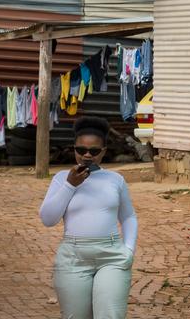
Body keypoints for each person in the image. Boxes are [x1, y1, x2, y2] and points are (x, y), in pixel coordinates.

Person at [39, 116, 137, 319]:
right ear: (74, 148)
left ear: (104, 151)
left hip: (112, 255)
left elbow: (128, 217)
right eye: (80, 150)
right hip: (73, 257)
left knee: (110, 315)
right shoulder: (61, 179)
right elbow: (48, 219)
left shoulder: (115, 180)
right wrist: (70, 185)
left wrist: (128, 250)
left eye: (93, 151)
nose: (86, 156)